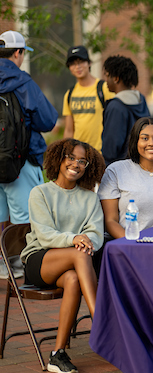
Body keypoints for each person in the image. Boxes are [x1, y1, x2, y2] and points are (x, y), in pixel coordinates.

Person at [20, 138, 105, 373]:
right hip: (41, 261)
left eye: (82, 161)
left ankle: (57, 354)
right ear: (59, 158)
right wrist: (74, 239)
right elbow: (45, 235)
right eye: (70, 157)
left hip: (74, 261)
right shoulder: (40, 193)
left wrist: (84, 241)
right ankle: (100, 318)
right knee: (79, 254)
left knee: (74, 279)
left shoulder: (90, 197)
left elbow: (96, 233)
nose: (75, 164)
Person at [0, 31, 58, 230]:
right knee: (25, 217)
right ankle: (17, 260)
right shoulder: (24, 83)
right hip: (21, 160)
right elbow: (48, 121)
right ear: (18, 53)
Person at [98, 117, 153, 239]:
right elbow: (110, 221)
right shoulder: (115, 171)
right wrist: (134, 245)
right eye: (145, 138)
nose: (152, 143)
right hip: (125, 245)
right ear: (135, 142)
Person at [62, 45, 113, 151]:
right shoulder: (69, 94)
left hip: (101, 153)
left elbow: (115, 121)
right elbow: (68, 130)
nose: (77, 67)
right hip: (79, 155)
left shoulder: (104, 88)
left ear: (89, 63)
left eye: (81, 62)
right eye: (73, 64)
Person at [101, 55, 150, 165]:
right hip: (141, 165)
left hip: (120, 170)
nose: (106, 80)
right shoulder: (141, 100)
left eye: (107, 76)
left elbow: (111, 149)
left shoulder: (116, 106)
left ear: (116, 78)